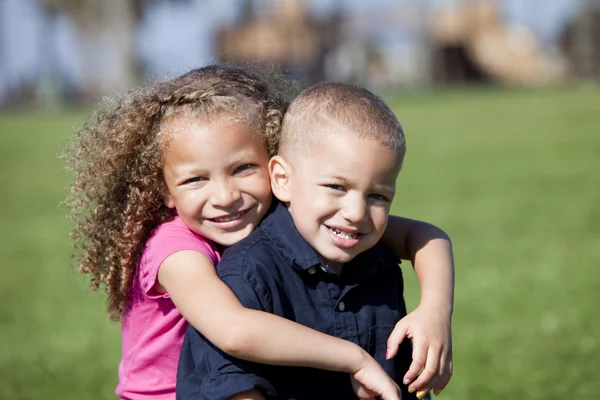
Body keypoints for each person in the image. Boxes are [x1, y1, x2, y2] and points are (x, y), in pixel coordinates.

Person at [65, 66, 453, 400]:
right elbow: (234, 330)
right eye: (196, 179)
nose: (225, 196)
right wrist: (352, 357)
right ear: (165, 190)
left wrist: (434, 310)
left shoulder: (295, 214)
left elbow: (423, 235)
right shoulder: (174, 250)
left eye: (243, 169)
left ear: (275, 171)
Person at [177, 82, 454, 400]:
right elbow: (236, 382)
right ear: (282, 180)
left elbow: (430, 237)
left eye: (378, 195)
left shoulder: (376, 258)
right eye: (337, 187)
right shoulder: (249, 275)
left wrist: (435, 310)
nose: (356, 212)